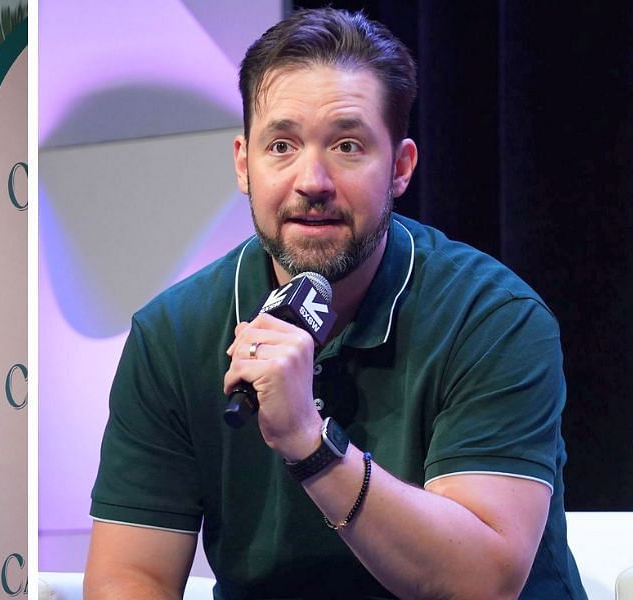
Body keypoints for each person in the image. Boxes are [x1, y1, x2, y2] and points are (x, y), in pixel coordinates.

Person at [85, 8, 586, 599]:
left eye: (347, 146)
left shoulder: (493, 318)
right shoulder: (173, 334)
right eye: (282, 145)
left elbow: (479, 582)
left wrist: (308, 439)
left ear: (399, 168)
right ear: (245, 164)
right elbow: (129, 575)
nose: (311, 179)